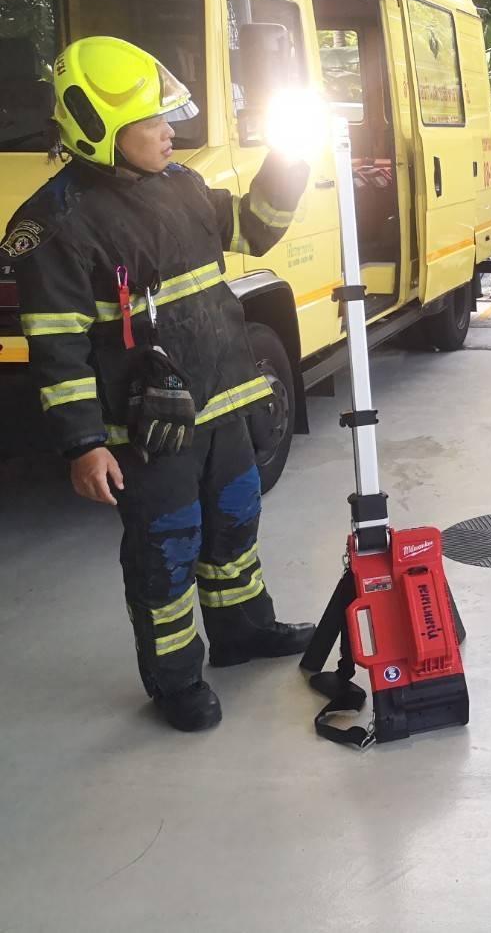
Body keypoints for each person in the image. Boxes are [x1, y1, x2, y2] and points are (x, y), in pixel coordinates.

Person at [3, 36, 315, 732]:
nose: (170, 131)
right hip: (147, 430)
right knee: (167, 547)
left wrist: (289, 159)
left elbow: (255, 230)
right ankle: (175, 680)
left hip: (224, 398)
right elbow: (56, 348)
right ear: (101, 131)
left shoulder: (183, 185)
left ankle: (242, 632)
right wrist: (84, 444)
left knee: (235, 520)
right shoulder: (55, 224)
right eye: (151, 121)